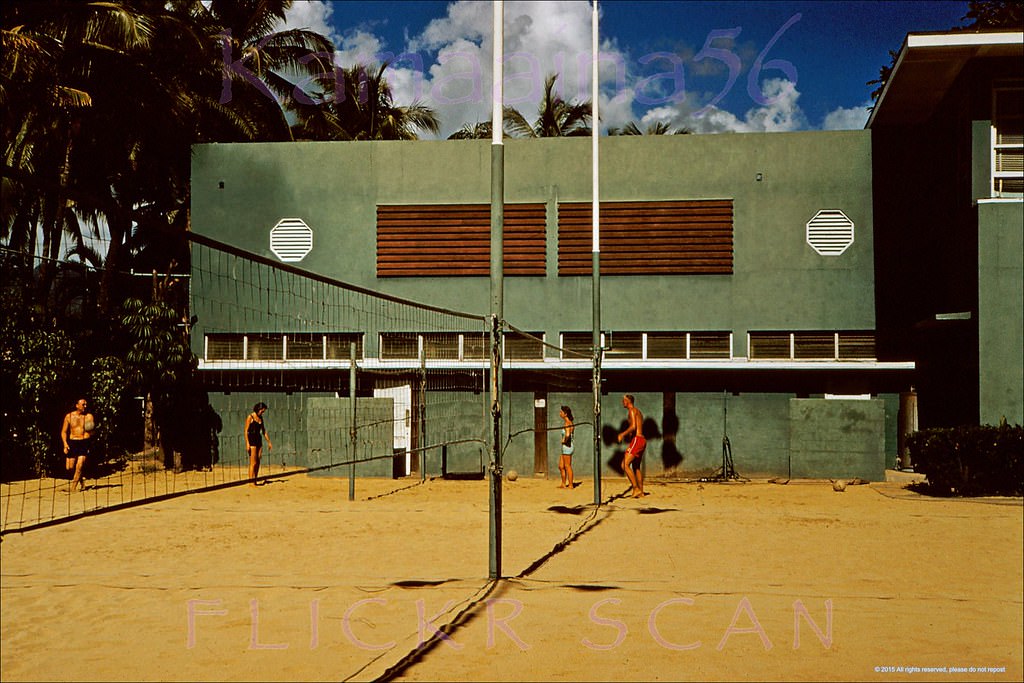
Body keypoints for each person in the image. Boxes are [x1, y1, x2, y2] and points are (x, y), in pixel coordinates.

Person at [61, 398, 94, 492]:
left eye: (86, 404)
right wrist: (65, 444)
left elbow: (91, 432)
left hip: (84, 442)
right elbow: (63, 432)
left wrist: (91, 432)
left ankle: (73, 488)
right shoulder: (69, 416)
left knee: (79, 465)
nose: (85, 406)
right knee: (70, 467)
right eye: (83, 404)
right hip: (73, 442)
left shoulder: (89, 416)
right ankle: (81, 479)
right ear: (77, 405)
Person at [616, 394, 646, 498]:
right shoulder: (638, 411)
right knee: (636, 466)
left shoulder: (632, 410)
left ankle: (635, 488)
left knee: (624, 465)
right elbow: (636, 426)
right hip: (641, 439)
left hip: (637, 440)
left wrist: (622, 434)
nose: (622, 402)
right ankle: (641, 492)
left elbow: (633, 427)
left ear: (628, 400)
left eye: (624, 400)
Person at [244, 402, 272, 486]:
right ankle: (250, 481)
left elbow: (264, 431)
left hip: (258, 440)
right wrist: (247, 443)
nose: (262, 413)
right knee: (253, 462)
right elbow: (245, 431)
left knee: (258, 461)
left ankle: (255, 480)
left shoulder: (261, 418)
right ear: (258, 409)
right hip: (252, 440)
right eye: (262, 411)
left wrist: (269, 442)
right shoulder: (250, 417)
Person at [557, 405, 575, 489]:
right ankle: (563, 484)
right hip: (565, 448)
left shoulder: (568, 423)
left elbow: (568, 435)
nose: (560, 413)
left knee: (567, 466)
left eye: (561, 412)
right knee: (561, 466)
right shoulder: (568, 422)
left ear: (565, 414)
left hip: (567, 447)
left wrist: (564, 440)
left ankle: (571, 484)